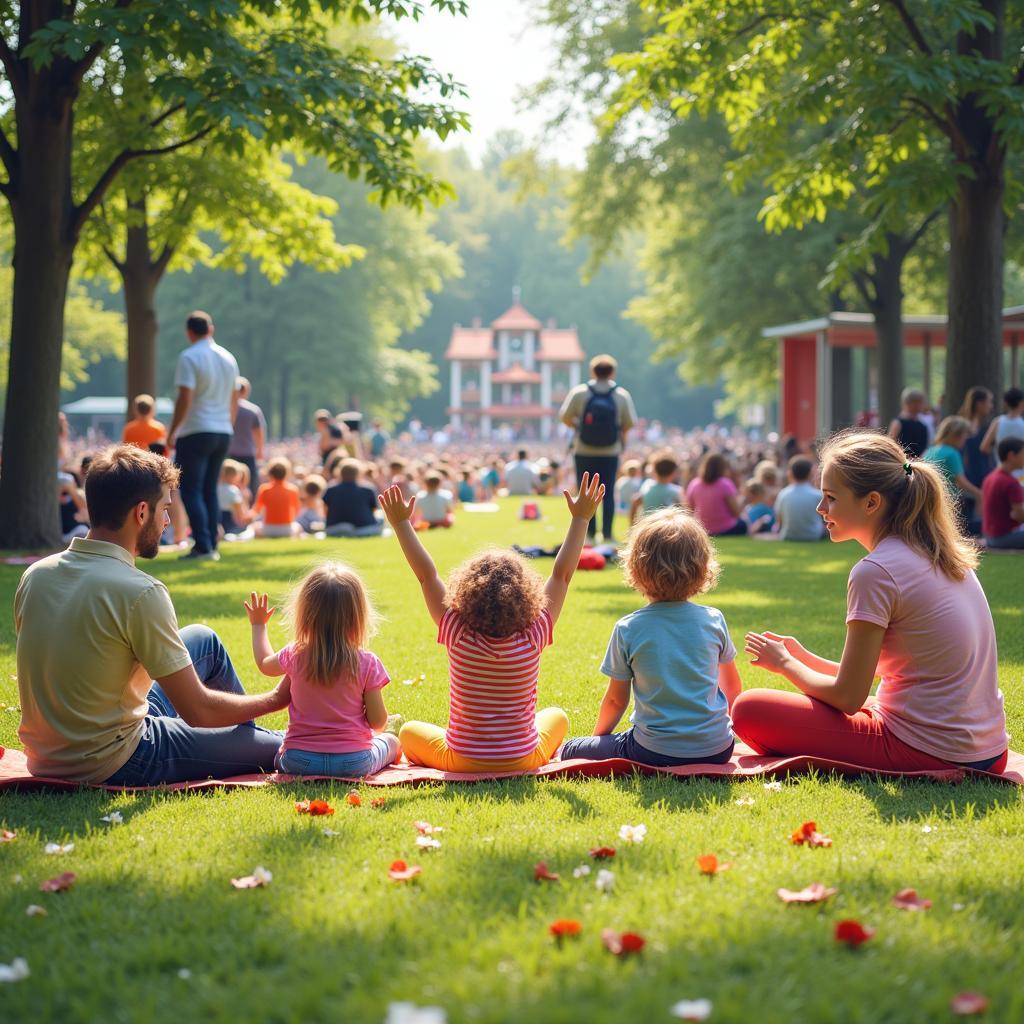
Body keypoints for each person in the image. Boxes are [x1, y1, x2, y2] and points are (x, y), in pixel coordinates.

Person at [738, 430, 1008, 774]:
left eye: (831, 498)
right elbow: (871, 676)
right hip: (989, 750)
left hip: (930, 749)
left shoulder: (875, 571)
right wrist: (801, 656)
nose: (821, 508)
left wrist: (785, 664)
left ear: (871, 502)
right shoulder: (942, 554)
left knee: (749, 709)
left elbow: (848, 697)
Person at [14, 445, 286, 785]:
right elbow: (197, 711)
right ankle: (252, 741)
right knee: (291, 747)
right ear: (141, 512)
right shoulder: (140, 591)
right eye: (165, 509)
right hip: (116, 758)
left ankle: (242, 739)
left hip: (46, 756)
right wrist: (276, 698)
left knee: (203, 639)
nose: (168, 520)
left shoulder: (36, 575)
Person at [378, 472, 605, 772]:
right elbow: (561, 575)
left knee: (407, 732)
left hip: (461, 760)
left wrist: (401, 524)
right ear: (526, 594)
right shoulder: (533, 634)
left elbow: (427, 576)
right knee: (558, 716)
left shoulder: (457, 632)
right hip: (524, 758)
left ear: (466, 591)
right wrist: (581, 518)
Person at [559, 508, 741, 766]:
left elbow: (615, 700)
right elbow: (732, 687)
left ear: (636, 567)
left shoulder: (629, 628)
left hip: (653, 750)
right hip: (719, 748)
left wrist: (597, 742)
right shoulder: (713, 620)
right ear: (702, 567)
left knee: (571, 748)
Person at [244, 565, 401, 778]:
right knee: (390, 741)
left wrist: (258, 626)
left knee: (280, 756)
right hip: (353, 762)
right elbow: (378, 722)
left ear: (305, 614)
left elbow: (264, 663)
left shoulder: (295, 654)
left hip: (298, 761)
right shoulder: (367, 662)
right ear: (358, 617)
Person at [167, 311, 239, 561]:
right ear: (211, 329)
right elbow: (234, 398)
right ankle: (211, 543)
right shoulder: (228, 358)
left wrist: (172, 430)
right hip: (222, 429)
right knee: (209, 489)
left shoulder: (189, 357)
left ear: (189, 332)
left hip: (197, 429)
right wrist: (228, 424)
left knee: (191, 489)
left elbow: (185, 398)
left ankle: (203, 545)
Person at [559, 354, 638, 542]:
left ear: (592, 371)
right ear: (612, 373)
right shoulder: (621, 395)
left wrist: (578, 426)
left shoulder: (579, 393)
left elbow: (565, 416)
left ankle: (590, 532)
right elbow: (630, 423)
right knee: (608, 492)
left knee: (585, 491)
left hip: (583, 449)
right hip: (610, 451)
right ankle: (608, 533)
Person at [924, 416, 983, 524]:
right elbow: (961, 482)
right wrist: (979, 494)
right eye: (964, 436)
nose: (965, 440)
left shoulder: (931, 450)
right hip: (948, 503)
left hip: (930, 499)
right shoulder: (952, 453)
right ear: (956, 436)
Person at [685, 452, 746, 536]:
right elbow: (736, 512)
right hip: (726, 529)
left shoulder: (694, 484)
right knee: (744, 524)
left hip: (703, 530)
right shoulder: (725, 484)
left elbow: (689, 510)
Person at [981, 438, 1024, 550]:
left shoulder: (990, 478)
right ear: (1011, 455)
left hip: (990, 536)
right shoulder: (1011, 482)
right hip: (1004, 538)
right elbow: (1020, 515)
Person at [324, 458, 383, 537]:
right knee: (380, 517)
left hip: (335, 529)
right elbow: (374, 510)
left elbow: (325, 510)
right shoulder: (368, 489)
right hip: (364, 529)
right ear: (358, 473)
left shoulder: (330, 489)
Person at [227, 377, 266, 487]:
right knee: (249, 484)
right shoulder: (253, 410)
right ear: (246, 391)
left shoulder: (226, 408)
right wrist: (260, 451)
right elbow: (259, 433)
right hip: (247, 452)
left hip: (229, 451)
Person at [775, 456, 825, 541]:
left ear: (791, 473)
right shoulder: (817, 495)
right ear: (810, 473)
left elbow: (779, 522)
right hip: (813, 535)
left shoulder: (783, 494)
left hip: (788, 535)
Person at [630, 450, 683, 525]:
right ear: (673, 473)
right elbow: (684, 514)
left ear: (654, 469)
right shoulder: (676, 491)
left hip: (646, 527)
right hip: (666, 529)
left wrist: (632, 526)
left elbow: (635, 502)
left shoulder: (647, 485)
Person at [251, 457, 300, 538]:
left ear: (270, 473)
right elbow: (297, 511)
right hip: (287, 529)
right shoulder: (293, 490)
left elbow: (257, 510)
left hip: (268, 529)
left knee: (254, 527)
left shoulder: (264, 489)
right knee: (299, 527)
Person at [980, 387, 1024, 468]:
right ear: (1022, 403)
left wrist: (998, 451)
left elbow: (984, 447)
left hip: (1002, 469)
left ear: (1005, 403)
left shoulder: (997, 422)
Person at [886, 387, 930, 458]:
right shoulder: (898, 423)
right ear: (909, 403)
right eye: (918, 402)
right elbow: (890, 445)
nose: (921, 405)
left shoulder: (922, 425)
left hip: (917, 465)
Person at [217, 460, 250, 536]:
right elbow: (240, 513)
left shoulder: (216, 489)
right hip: (229, 524)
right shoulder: (233, 490)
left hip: (217, 521)